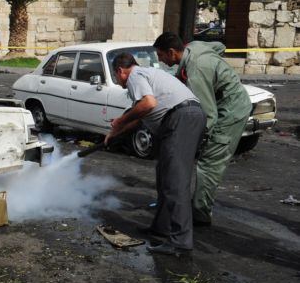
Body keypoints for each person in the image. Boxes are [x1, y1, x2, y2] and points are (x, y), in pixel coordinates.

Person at [106, 53, 206, 256]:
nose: (118, 83)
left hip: (181, 119)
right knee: (164, 177)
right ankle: (161, 229)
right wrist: (116, 131)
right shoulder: (148, 73)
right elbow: (140, 116)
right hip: (182, 119)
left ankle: (180, 243)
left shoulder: (134, 76)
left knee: (175, 183)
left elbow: (148, 104)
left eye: (116, 78)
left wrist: (120, 122)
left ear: (120, 71)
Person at [154, 32, 252, 226]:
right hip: (227, 102)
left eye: (161, 55)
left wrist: (194, 141)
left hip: (231, 111)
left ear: (172, 52)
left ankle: (200, 214)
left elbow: (208, 114)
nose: (160, 60)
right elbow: (219, 46)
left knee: (209, 162)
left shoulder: (196, 70)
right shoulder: (194, 46)